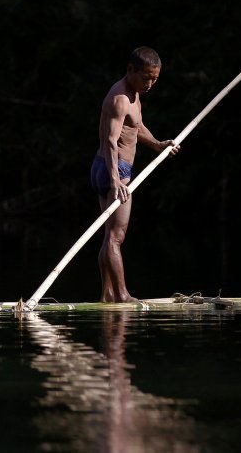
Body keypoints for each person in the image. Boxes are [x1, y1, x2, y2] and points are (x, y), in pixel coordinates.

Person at [90, 46, 179, 302]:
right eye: (145, 77)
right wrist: (116, 178)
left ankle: (107, 294)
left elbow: (135, 127)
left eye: (154, 79)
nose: (150, 83)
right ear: (131, 70)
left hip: (103, 167)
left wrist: (158, 144)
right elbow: (110, 140)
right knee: (116, 238)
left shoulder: (133, 93)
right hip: (114, 169)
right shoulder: (120, 98)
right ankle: (123, 295)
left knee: (109, 236)